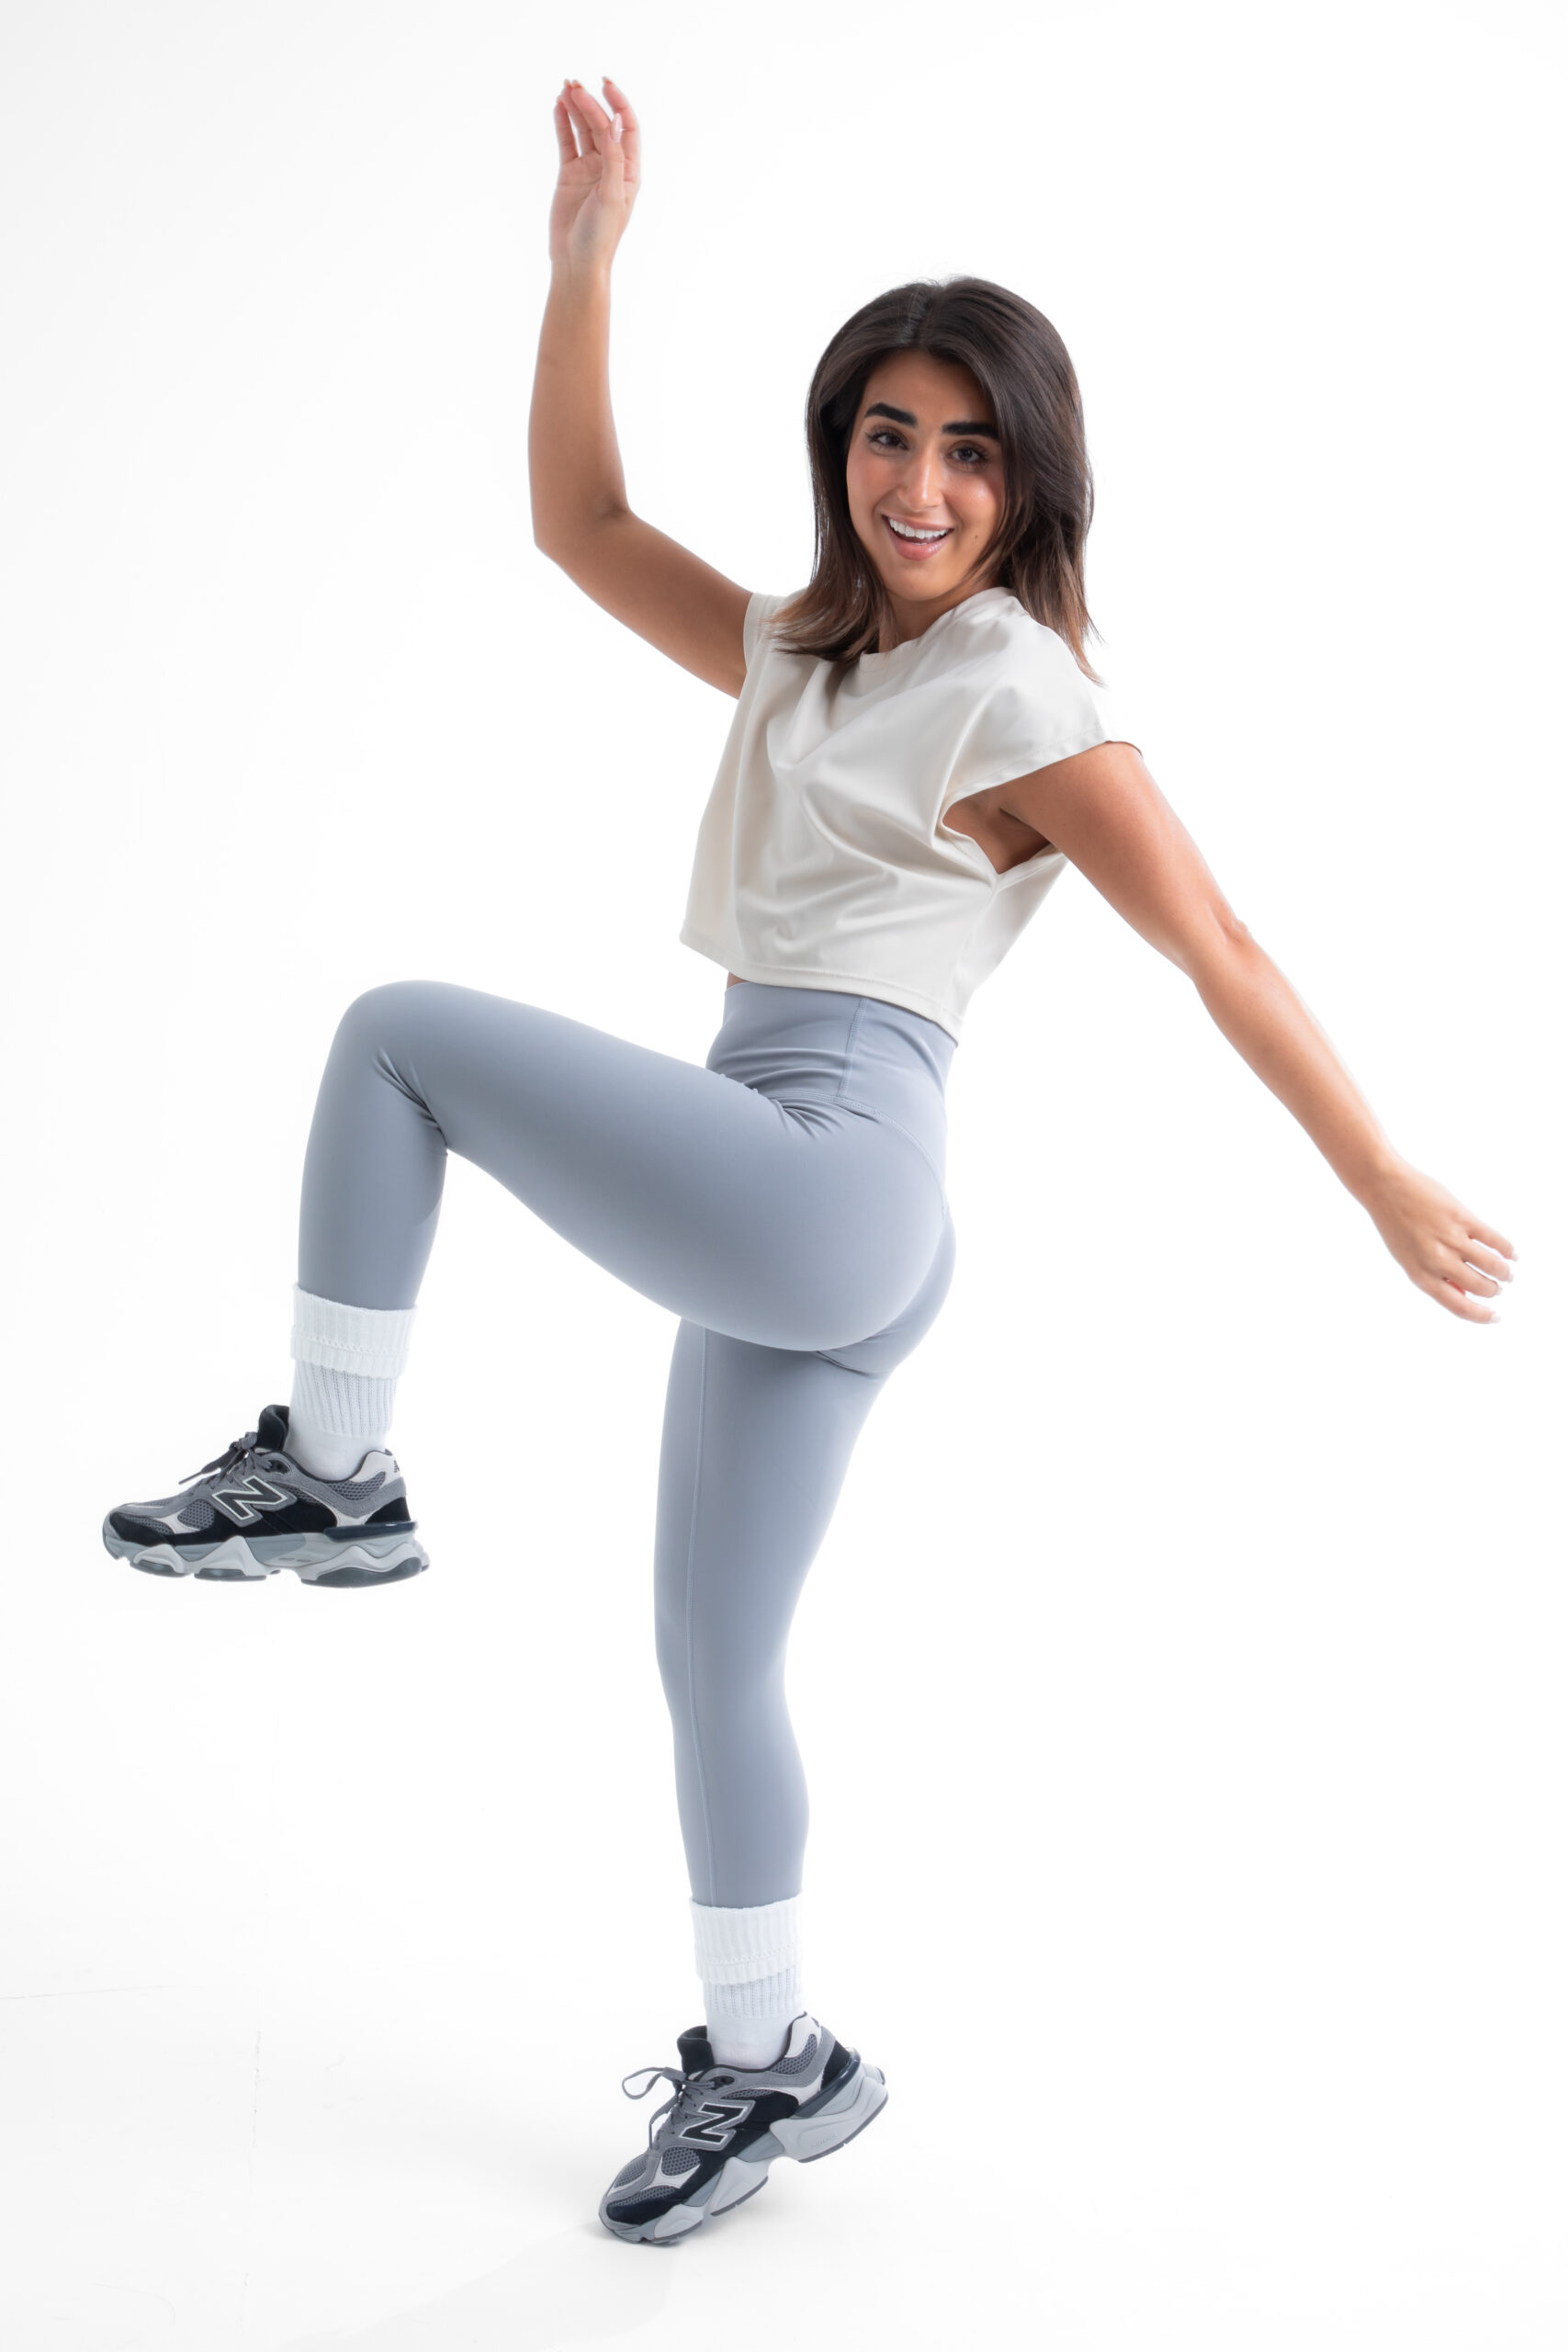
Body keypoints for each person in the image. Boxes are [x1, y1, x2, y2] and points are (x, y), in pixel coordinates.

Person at [100, 74, 1517, 2245]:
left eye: (967, 449)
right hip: (802, 1187)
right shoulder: (804, 652)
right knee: (710, 1653)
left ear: (1026, 480)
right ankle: (768, 2059)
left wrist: (1376, 1174)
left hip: (831, 1163)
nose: (918, 483)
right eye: (884, 433)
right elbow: (580, 525)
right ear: (838, 446)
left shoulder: (1022, 691)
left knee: (395, 1037)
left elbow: (1217, 944)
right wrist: (587, 263)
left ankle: (334, 1469)